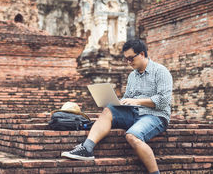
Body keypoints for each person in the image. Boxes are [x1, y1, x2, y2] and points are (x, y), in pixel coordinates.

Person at [61, 39, 173, 174]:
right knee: (108, 110)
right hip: (133, 112)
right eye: (126, 59)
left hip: (155, 116)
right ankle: (87, 148)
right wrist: (119, 102)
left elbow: (163, 100)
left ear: (142, 54)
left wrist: (137, 101)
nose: (129, 62)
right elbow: (128, 97)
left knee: (132, 136)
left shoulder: (161, 71)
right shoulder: (133, 76)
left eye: (131, 58)